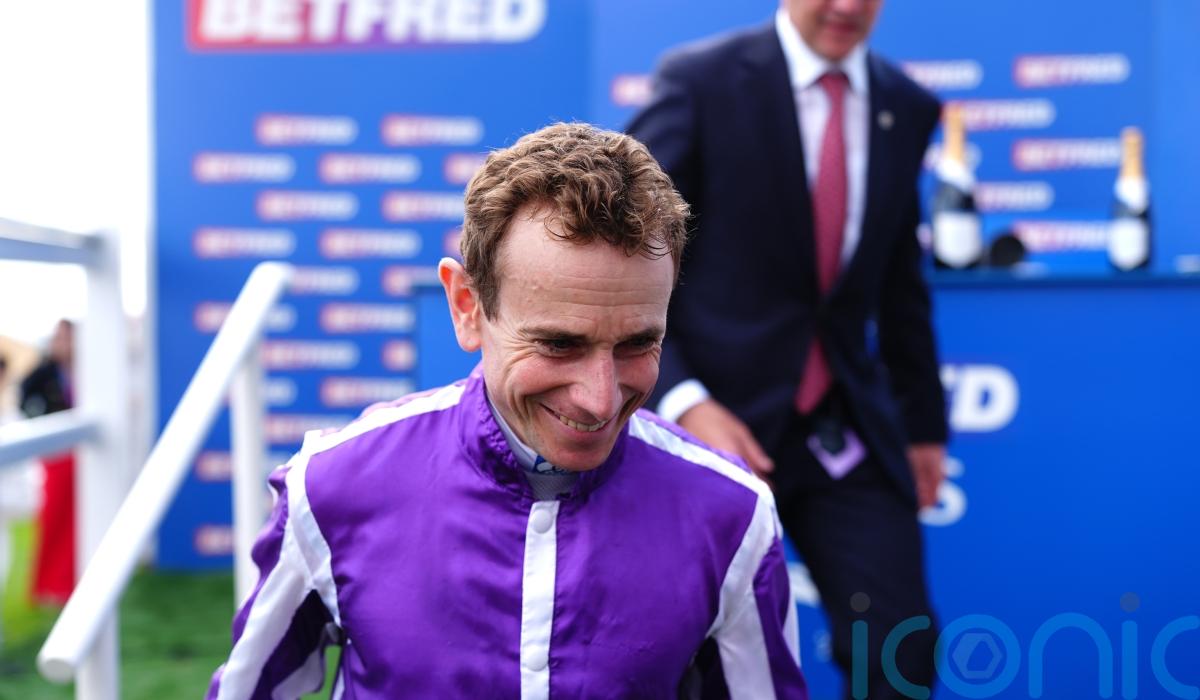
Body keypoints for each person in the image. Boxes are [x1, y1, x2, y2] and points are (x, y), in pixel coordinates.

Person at [208, 123, 808, 699]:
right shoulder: (332, 485)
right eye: (559, 344)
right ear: (467, 306)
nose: (600, 398)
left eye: (637, 344)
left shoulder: (732, 514)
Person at [628, 0, 948, 696]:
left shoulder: (907, 105)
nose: (847, 7)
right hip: (709, 428)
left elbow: (899, 282)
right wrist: (684, 400)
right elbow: (625, 249)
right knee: (690, 661)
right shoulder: (700, 81)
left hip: (845, 426)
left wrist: (924, 427)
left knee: (900, 650)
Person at [19, 319, 77, 604]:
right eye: (59, 338)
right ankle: (47, 585)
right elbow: (25, 400)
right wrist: (43, 425)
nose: (62, 344)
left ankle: (70, 582)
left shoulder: (87, 368)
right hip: (56, 454)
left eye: (67, 338)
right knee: (53, 517)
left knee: (75, 519)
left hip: (80, 455)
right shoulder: (44, 372)